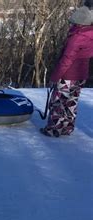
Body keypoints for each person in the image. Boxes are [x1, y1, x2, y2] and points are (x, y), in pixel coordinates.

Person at [41, 3, 93, 137]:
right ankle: (67, 127)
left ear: (80, 22)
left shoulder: (77, 37)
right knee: (71, 102)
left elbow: (66, 59)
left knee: (58, 102)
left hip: (68, 74)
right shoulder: (89, 34)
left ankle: (54, 129)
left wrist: (55, 77)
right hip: (81, 75)